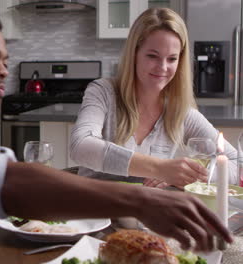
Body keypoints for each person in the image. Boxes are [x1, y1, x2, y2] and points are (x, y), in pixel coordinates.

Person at [0, 7, 233, 264]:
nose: (3, 72)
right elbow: (10, 183)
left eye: (5, 60)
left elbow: (3, 176)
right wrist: (143, 199)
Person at [70, 7, 238, 188]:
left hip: (145, 213)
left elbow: (238, 164)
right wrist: (159, 168)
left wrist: (188, 174)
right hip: (93, 212)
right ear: (134, 54)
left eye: (172, 59)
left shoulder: (180, 112)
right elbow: (81, 146)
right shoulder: (103, 92)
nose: (163, 67)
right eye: (152, 56)